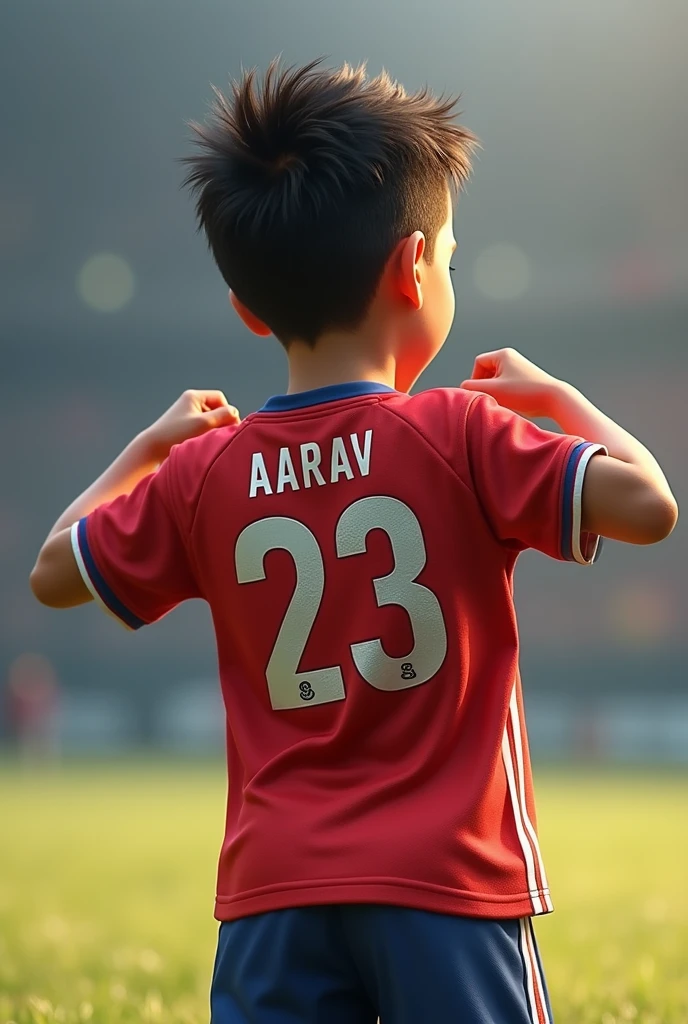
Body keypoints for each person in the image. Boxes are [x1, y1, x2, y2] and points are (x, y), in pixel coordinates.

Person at [30, 59, 678, 1024]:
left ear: (250, 309)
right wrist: (563, 401)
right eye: (452, 257)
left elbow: (53, 571)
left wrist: (140, 450)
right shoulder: (460, 434)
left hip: (273, 897)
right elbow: (650, 505)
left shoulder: (204, 475)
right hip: (449, 884)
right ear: (414, 268)